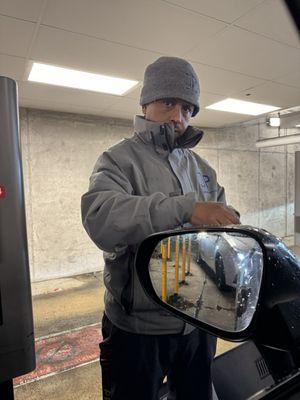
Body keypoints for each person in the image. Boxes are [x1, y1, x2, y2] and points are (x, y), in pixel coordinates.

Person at [81, 56, 240, 400]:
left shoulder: (203, 169)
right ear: (145, 103)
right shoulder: (118, 160)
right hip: (138, 331)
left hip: (198, 323)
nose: (177, 117)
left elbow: (223, 232)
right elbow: (100, 218)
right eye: (169, 102)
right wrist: (186, 208)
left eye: (187, 108)